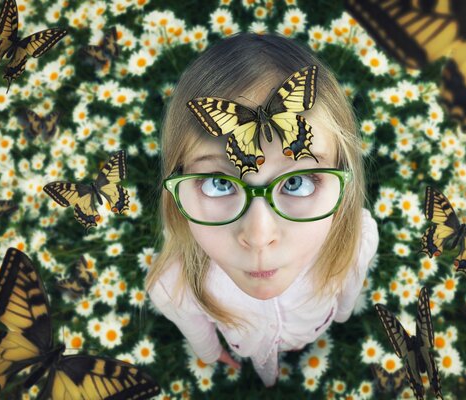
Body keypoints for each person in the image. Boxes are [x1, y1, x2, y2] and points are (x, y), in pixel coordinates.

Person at [145, 32, 379, 387]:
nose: (258, 236)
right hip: (251, 347)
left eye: (298, 182)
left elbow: (347, 293)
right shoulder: (174, 284)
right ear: (177, 190)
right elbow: (197, 329)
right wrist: (210, 353)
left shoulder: (357, 239)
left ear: (343, 184)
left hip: (311, 327)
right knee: (265, 367)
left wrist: (343, 314)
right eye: (219, 183)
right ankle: (268, 376)